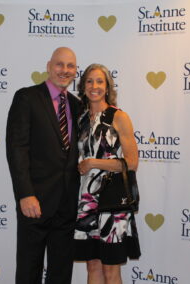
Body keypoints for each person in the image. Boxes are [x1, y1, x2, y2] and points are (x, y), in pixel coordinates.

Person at [6, 47, 81, 284]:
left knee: (61, 273)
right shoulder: (27, 97)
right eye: (59, 65)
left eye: (70, 66)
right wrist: (25, 194)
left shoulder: (79, 106)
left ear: (75, 71)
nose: (64, 70)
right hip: (35, 202)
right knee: (29, 270)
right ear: (49, 66)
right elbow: (17, 148)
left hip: (67, 204)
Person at [74, 64, 141, 284]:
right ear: (83, 86)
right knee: (92, 266)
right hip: (85, 201)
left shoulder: (118, 116)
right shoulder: (80, 119)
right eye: (90, 81)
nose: (95, 86)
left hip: (111, 200)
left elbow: (131, 163)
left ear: (108, 86)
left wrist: (94, 163)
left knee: (111, 269)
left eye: (100, 81)